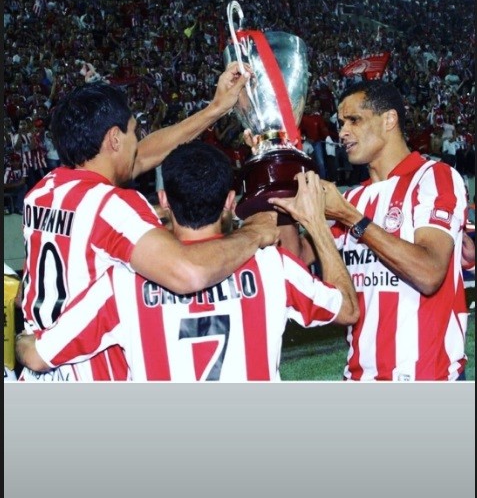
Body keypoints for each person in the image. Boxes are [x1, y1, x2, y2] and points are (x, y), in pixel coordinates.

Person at [16, 141, 358, 381]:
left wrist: (22, 342)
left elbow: (38, 357)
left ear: (163, 201)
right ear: (229, 201)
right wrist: (317, 224)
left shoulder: (122, 283)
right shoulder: (273, 267)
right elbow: (347, 310)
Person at [19, 71, 279, 381]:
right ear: (114, 139)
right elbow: (188, 273)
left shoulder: (43, 192)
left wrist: (216, 108)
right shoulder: (112, 205)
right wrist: (254, 233)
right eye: (133, 132)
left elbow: (143, 155)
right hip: (91, 377)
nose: (138, 143)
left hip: (41, 366)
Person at [271, 80, 469, 381]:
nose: (343, 132)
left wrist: (351, 218)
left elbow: (429, 273)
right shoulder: (353, 198)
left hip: (428, 379)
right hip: (358, 379)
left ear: (389, 119)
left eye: (354, 120)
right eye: (341, 123)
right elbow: (295, 256)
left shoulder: (435, 177)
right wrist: (281, 180)